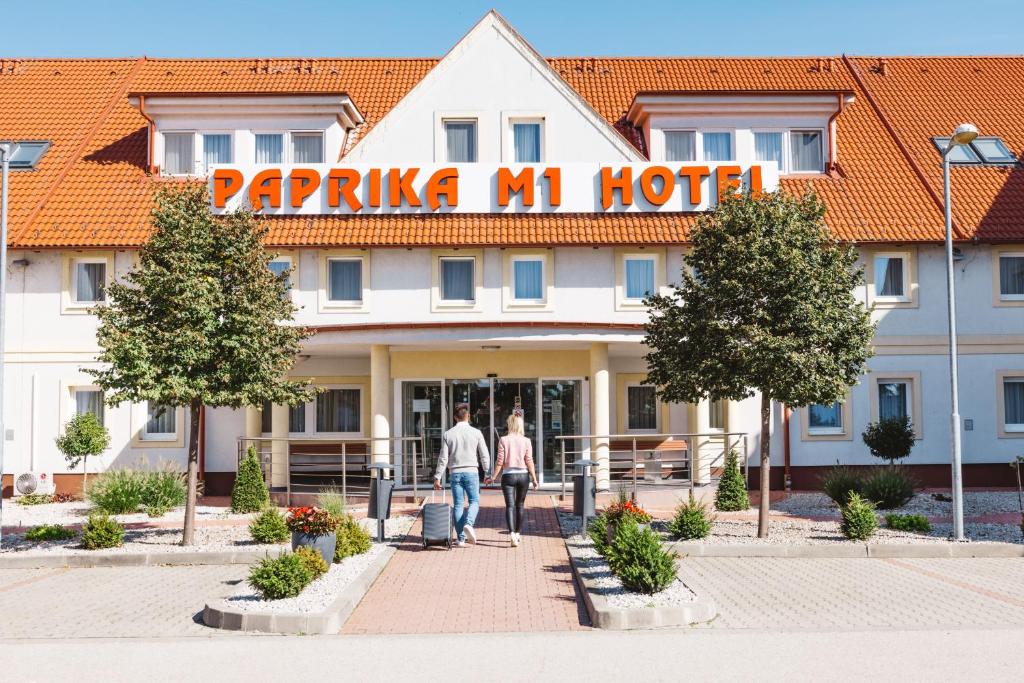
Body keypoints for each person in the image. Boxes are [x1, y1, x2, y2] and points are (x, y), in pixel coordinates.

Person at [434, 404, 490, 547]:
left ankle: (460, 539)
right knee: (474, 501)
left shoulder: (448, 434)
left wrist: (437, 477)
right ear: (468, 416)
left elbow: (443, 458)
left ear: (455, 418)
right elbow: (484, 455)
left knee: (458, 504)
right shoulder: (476, 432)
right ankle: (469, 524)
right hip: (472, 472)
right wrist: (487, 472)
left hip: (455, 473)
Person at [485, 410, 537, 547]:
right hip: (523, 475)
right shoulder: (526, 441)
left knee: (510, 506)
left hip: (508, 476)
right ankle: (518, 533)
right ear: (520, 425)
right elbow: (529, 460)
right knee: (520, 505)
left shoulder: (503, 440)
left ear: (509, 425)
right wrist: (534, 478)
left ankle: (512, 533)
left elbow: (499, 461)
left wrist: (493, 477)